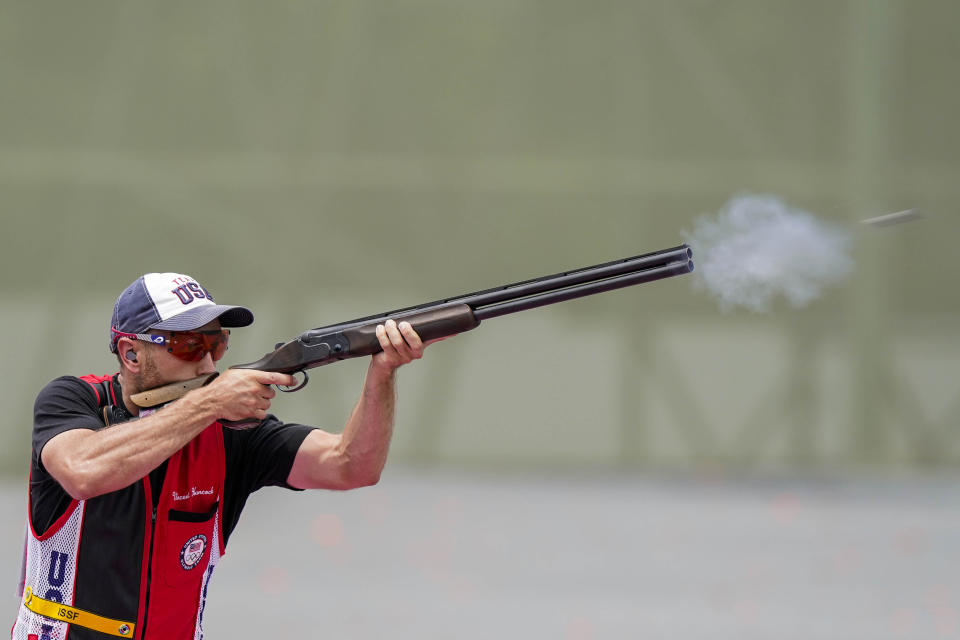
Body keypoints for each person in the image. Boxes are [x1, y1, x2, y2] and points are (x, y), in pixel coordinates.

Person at [13, 272, 436, 640]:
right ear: (131, 354)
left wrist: (382, 373)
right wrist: (211, 403)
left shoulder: (232, 436)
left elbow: (353, 466)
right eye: (190, 346)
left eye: (217, 343)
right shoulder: (72, 400)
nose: (210, 362)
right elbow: (83, 471)